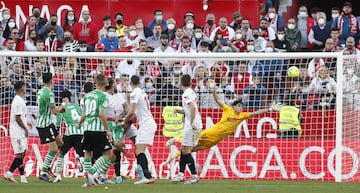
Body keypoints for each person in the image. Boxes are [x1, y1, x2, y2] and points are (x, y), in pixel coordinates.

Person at [165, 79, 282, 163]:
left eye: (241, 106)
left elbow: (256, 113)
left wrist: (270, 109)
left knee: (192, 149)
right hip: (211, 133)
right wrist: (213, 90)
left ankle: (173, 156)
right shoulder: (228, 109)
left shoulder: (242, 115)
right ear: (234, 106)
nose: (240, 108)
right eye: (238, 106)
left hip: (217, 139)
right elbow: (218, 101)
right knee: (191, 143)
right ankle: (177, 139)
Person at [77, 74, 116, 187]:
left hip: (87, 129)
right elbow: (101, 114)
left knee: (88, 153)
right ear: (106, 83)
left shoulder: (87, 96)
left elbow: (84, 114)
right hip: (98, 129)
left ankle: (88, 182)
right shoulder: (104, 96)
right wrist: (107, 130)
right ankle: (91, 172)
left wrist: (79, 124)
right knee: (108, 154)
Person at [122, 75, 156, 184]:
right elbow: (135, 114)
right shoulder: (142, 92)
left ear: (130, 83)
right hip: (148, 123)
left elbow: (131, 111)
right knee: (138, 149)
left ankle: (147, 176)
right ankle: (143, 172)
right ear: (139, 83)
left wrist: (124, 121)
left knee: (139, 150)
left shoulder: (135, 93)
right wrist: (125, 118)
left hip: (146, 124)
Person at [36, 73, 68, 182]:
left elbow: (51, 109)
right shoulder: (49, 93)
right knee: (54, 149)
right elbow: (55, 111)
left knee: (61, 143)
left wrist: (59, 109)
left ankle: (47, 164)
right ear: (52, 81)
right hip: (44, 124)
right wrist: (63, 105)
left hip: (48, 123)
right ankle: (43, 172)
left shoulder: (40, 91)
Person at [172, 74, 202, 184]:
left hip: (192, 125)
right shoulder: (191, 92)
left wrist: (191, 122)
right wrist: (179, 111)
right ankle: (181, 174)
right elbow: (190, 110)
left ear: (181, 83)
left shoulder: (186, 94)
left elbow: (193, 108)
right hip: (195, 124)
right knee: (184, 149)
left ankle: (194, 175)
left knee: (186, 150)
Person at [53, 90, 84, 183]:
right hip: (80, 132)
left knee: (61, 153)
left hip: (69, 133)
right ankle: (82, 164)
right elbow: (83, 117)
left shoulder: (61, 108)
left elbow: (58, 124)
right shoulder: (78, 107)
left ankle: (58, 175)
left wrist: (56, 136)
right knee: (82, 154)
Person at [3, 81, 29, 183]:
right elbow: (17, 118)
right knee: (19, 154)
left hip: (20, 131)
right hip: (17, 131)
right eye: (25, 86)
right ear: (22, 88)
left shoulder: (20, 100)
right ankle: (21, 177)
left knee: (23, 153)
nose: (25, 88)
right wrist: (25, 128)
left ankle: (10, 173)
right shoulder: (17, 101)